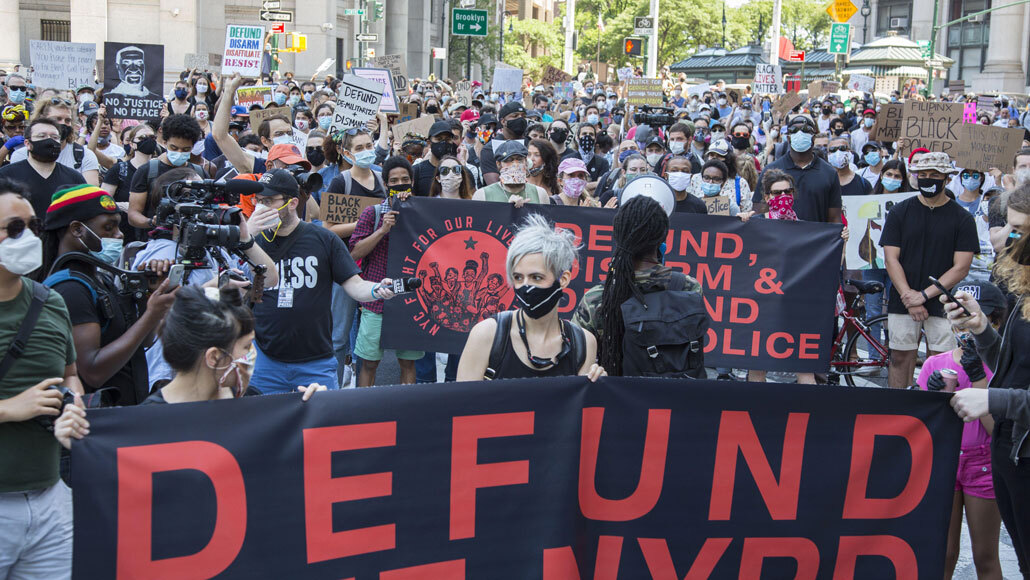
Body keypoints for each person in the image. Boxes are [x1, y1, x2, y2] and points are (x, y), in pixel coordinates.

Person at [54, 285, 327, 452]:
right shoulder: (144, 427)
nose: (252, 355)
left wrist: (317, 412)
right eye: (246, 347)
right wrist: (82, 445)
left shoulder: (253, 403)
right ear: (215, 357)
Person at [251, 168, 398, 393]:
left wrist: (377, 289)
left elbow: (355, 285)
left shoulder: (323, 239)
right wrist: (246, 238)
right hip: (265, 360)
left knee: (323, 416)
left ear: (292, 203)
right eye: (258, 201)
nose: (261, 208)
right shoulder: (254, 242)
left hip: (315, 362)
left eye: (269, 201)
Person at [0, 179, 82, 578]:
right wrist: (8, 409)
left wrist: (74, 404)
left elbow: (71, 375)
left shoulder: (50, 302)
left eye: (33, 226)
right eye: (14, 228)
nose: (28, 237)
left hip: (51, 500)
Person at [945, 195, 1030, 574]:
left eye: (1020, 230)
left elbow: (1005, 389)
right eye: (1008, 226)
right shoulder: (1022, 289)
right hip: (1011, 450)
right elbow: (1011, 367)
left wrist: (993, 399)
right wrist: (980, 328)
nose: (1007, 237)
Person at [37, 184, 178, 406]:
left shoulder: (100, 279)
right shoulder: (70, 288)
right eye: (108, 228)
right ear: (77, 230)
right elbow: (93, 372)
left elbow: (142, 342)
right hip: (96, 416)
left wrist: (149, 297)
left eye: (118, 227)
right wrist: (152, 314)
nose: (119, 235)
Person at [918, 281, 1006, 580]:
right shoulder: (935, 364)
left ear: (995, 322)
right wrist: (932, 400)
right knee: (941, 552)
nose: (965, 327)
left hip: (984, 464)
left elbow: (996, 430)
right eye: (959, 317)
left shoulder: (1001, 368)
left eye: (974, 317)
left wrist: (979, 377)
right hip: (945, 460)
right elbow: (924, 430)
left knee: (985, 557)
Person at [457, 213, 604, 381]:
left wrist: (597, 387)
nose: (526, 287)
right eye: (518, 277)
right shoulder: (487, 335)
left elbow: (580, 399)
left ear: (563, 279)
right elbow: (463, 397)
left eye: (537, 277)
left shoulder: (583, 343)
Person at [574, 195, 705, 375]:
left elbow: (576, 358)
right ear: (662, 238)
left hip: (620, 391)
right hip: (680, 390)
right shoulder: (689, 287)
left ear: (618, 236)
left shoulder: (597, 298)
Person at [879, 152, 979, 389]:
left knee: (942, 361)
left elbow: (961, 267)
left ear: (946, 178)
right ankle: (898, 407)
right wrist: (909, 297)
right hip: (903, 298)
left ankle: (935, 409)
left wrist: (923, 296)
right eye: (922, 174)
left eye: (934, 175)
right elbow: (891, 259)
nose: (927, 179)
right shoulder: (900, 212)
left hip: (944, 301)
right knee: (899, 357)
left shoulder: (963, 219)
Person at [349, 157, 423, 386]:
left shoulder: (422, 213)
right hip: (376, 300)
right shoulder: (372, 214)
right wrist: (382, 230)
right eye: (394, 181)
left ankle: (406, 407)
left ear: (412, 182)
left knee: (408, 363)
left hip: (410, 300)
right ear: (385, 184)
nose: (400, 184)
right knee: (369, 363)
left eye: (405, 179)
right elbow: (354, 253)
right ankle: (363, 407)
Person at [752, 115, 842, 223]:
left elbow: (834, 218)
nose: (800, 134)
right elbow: (758, 213)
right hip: (779, 233)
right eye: (794, 130)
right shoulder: (770, 170)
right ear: (788, 138)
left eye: (805, 130)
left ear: (813, 138)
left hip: (816, 234)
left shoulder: (829, 173)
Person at [126, 114, 205, 230]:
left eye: (185, 149)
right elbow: (133, 214)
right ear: (165, 142)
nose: (179, 152)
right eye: (174, 148)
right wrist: (152, 222)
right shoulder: (146, 171)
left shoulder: (199, 173)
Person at [0, 118, 86, 217]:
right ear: (28, 144)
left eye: (55, 137)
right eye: (42, 136)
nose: (49, 140)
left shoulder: (74, 178)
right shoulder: (6, 176)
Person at [472, 140, 549, 205]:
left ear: (526, 163)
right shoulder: (482, 196)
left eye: (519, 159)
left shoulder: (540, 194)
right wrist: (507, 208)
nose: (515, 165)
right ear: (499, 165)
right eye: (508, 160)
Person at [480, 101, 528, 184]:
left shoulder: (531, 144)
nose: (520, 119)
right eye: (515, 116)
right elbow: (494, 185)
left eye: (523, 116)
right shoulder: (490, 149)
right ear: (503, 121)